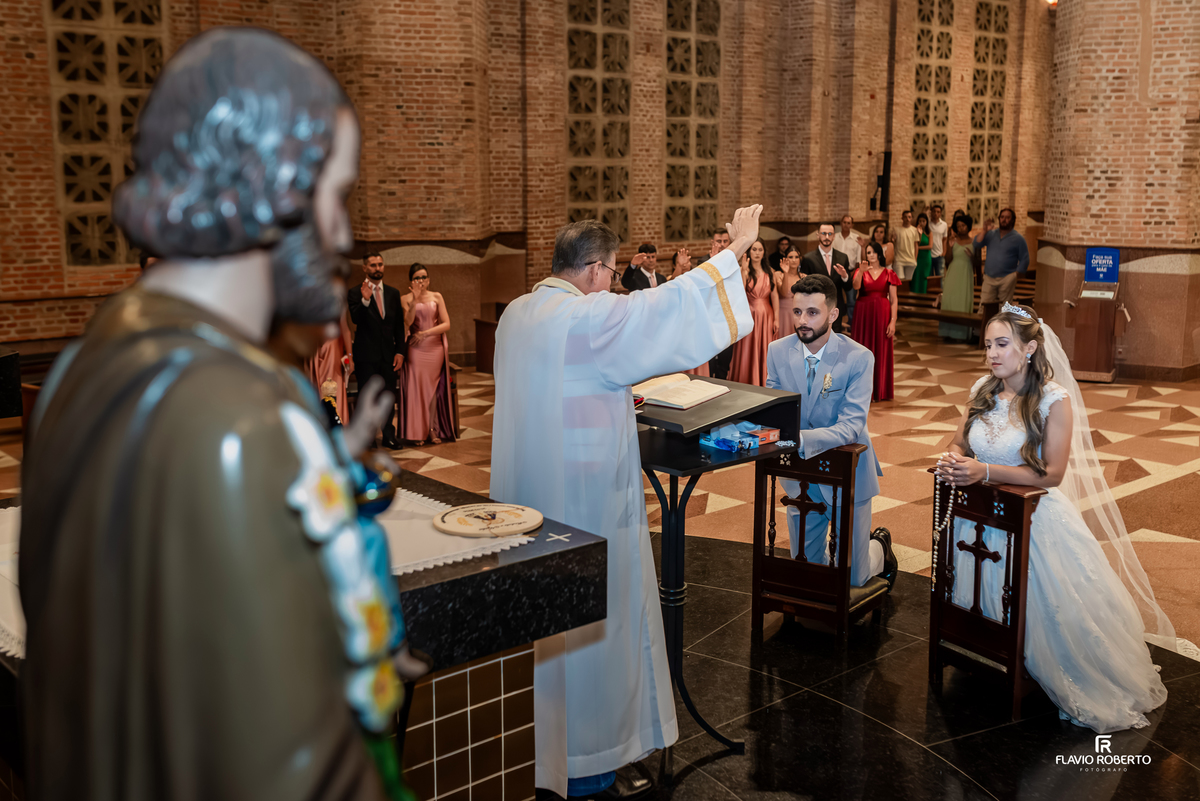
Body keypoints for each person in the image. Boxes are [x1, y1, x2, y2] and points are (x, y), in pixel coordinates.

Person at [19, 28, 414, 800]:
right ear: (269, 189)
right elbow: (295, 771)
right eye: (334, 196)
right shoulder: (243, 420)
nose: (341, 233)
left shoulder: (83, 364)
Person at [490, 205, 762, 800]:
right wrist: (736, 248)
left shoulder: (516, 314)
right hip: (585, 504)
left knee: (541, 630)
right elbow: (661, 311)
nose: (613, 283)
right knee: (594, 627)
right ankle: (590, 762)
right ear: (592, 270)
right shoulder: (586, 318)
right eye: (612, 273)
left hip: (526, 504)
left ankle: (540, 757)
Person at [935, 303, 1180, 732]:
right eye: (988, 344)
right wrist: (953, 459)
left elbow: (1052, 472)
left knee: (1041, 610)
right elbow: (959, 440)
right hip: (979, 516)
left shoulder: (1053, 399)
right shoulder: (981, 389)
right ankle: (985, 649)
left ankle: (1030, 666)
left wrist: (985, 471)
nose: (992, 353)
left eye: (1003, 344)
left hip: (1032, 518)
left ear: (1029, 348)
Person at [766, 273, 896, 587]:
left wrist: (801, 438)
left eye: (812, 313)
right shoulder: (777, 351)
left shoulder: (858, 358)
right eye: (797, 312)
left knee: (854, 576)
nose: (802, 321)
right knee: (810, 572)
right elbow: (774, 409)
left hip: (847, 474)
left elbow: (852, 426)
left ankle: (879, 549)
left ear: (833, 314)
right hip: (801, 478)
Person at [349, 251, 406, 448]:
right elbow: (356, 319)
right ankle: (368, 437)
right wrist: (365, 301)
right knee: (367, 396)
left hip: (388, 354)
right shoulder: (355, 292)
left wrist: (400, 351)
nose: (377, 268)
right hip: (365, 354)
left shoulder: (393, 293)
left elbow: (399, 326)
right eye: (373, 265)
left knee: (388, 394)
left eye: (380, 264)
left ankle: (389, 434)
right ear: (365, 268)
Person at [398, 263, 456, 445]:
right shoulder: (404, 298)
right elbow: (407, 322)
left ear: (429, 279)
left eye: (423, 277)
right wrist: (414, 300)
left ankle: (431, 429)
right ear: (411, 281)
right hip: (415, 350)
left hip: (434, 347)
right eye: (417, 278)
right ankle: (417, 431)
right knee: (417, 390)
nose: (421, 281)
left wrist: (426, 333)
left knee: (432, 391)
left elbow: (446, 324)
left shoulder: (437, 296)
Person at [851, 242, 900, 402]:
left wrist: (893, 321)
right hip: (863, 313)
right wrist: (861, 272)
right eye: (868, 252)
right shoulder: (861, 271)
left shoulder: (889, 273)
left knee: (881, 350)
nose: (870, 255)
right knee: (862, 349)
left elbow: (894, 299)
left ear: (879, 254)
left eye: (872, 252)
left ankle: (880, 390)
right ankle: (862, 391)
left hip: (882, 314)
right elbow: (856, 286)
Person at [729, 238, 778, 386]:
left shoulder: (770, 272)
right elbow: (740, 292)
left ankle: (763, 381)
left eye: (760, 250)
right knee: (748, 350)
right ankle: (747, 379)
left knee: (765, 348)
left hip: (766, 315)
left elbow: (774, 296)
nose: (757, 253)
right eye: (754, 249)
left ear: (764, 252)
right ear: (749, 252)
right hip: (749, 314)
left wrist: (777, 319)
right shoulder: (744, 271)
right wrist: (744, 271)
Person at [973, 208, 1030, 322]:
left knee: (1004, 307)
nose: (1004, 220)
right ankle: (979, 333)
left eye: (1007, 217)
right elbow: (977, 243)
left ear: (1013, 220)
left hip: (1007, 277)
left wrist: (1016, 274)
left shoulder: (1018, 238)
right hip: (989, 276)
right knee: (984, 304)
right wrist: (984, 230)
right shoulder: (991, 234)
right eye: (1002, 217)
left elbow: (1025, 258)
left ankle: (1002, 332)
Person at [302, 307, 354, 424]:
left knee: (332, 387)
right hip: (312, 346)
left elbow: (345, 329)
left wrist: (350, 356)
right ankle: (320, 427)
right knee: (314, 388)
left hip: (331, 346)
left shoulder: (334, 300)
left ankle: (338, 424)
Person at [800, 223, 852, 333]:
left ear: (834, 236)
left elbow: (848, 287)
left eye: (830, 234)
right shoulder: (809, 258)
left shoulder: (843, 258)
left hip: (835, 306)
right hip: (814, 308)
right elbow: (804, 287)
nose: (827, 237)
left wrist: (844, 276)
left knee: (835, 339)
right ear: (818, 235)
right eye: (823, 233)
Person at [939, 214, 977, 342]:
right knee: (950, 301)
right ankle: (947, 332)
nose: (961, 228)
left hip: (965, 274)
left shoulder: (974, 242)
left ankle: (960, 334)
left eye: (963, 225)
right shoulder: (953, 241)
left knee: (962, 302)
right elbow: (948, 260)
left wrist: (972, 257)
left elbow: (977, 262)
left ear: (968, 226)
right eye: (958, 226)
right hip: (953, 273)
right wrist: (949, 246)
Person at [707, 228, 736, 379]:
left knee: (725, 361)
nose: (723, 244)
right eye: (719, 241)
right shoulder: (703, 261)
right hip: (711, 319)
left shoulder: (733, 262)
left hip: (728, 317)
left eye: (725, 241)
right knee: (711, 361)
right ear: (712, 242)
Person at [833, 215, 863, 326]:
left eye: (848, 223)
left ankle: (851, 324)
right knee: (835, 299)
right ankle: (836, 323)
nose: (846, 225)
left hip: (850, 271)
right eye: (844, 222)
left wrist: (852, 273)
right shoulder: (834, 237)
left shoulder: (856, 238)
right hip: (835, 271)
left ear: (852, 225)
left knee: (851, 301)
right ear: (841, 223)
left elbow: (858, 259)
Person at [772, 247, 801, 341]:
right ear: (785, 259)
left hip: (799, 315)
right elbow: (783, 293)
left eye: (796, 257)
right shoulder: (778, 275)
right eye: (790, 257)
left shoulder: (804, 277)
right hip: (782, 315)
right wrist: (786, 273)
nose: (793, 260)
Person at [891, 209, 919, 282]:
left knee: (909, 282)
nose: (907, 219)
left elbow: (916, 245)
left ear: (911, 218)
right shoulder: (896, 229)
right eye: (905, 217)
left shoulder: (915, 230)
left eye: (909, 217)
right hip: (899, 259)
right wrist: (892, 239)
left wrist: (915, 258)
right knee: (900, 282)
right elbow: (892, 244)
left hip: (911, 260)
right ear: (902, 218)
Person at [911, 212, 932, 293]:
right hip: (917, 257)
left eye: (923, 221)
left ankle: (923, 295)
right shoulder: (914, 232)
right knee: (916, 276)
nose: (922, 223)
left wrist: (918, 248)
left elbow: (930, 246)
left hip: (926, 258)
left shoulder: (929, 232)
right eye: (920, 221)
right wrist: (919, 234)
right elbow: (916, 243)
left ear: (926, 222)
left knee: (924, 277)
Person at [928, 203, 949, 277]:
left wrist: (944, 252)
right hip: (929, 254)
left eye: (938, 212)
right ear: (931, 212)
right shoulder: (927, 224)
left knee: (940, 277)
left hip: (939, 255)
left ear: (940, 213)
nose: (936, 213)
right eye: (934, 211)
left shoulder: (944, 224)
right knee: (929, 277)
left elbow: (945, 239)